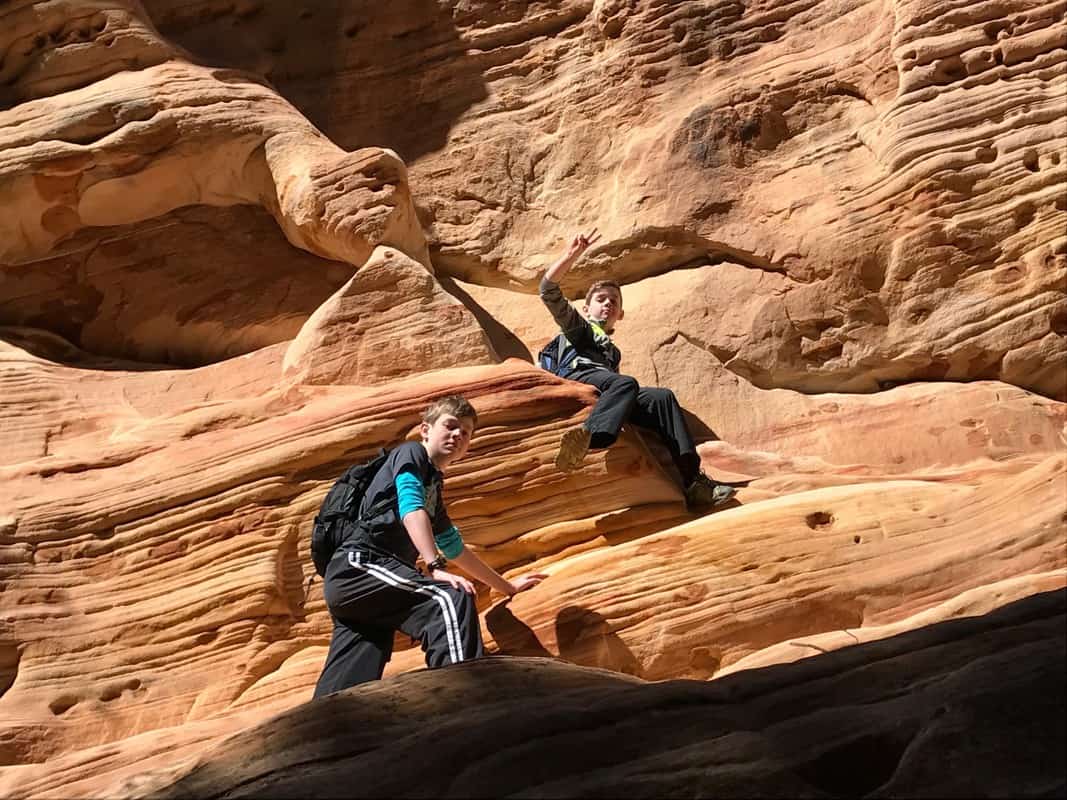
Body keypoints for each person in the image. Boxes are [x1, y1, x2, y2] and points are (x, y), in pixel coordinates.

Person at [313, 395, 547, 697]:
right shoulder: (411, 454)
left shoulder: (433, 485)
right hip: (360, 566)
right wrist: (434, 568)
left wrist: (508, 587)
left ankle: (325, 733)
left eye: (466, 432)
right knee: (449, 599)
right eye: (450, 426)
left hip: (360, 584)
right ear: (425, 430)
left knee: (352, 675)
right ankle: (466, 701)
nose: (458, 436)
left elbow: (454, 548)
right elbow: (411, 507)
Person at [539, 229, 737, 510]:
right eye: (601, 299)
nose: (608, 303)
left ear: (621, 314)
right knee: (625, 383)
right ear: (586, 309)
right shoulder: (579, 329)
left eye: (614, 301)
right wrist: (571, 255)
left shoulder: (612, 351)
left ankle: (694, 482)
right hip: (577, 377)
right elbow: (548, 290)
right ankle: (591, 439)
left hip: (608, 390)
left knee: (661, 397)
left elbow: (619, 387)